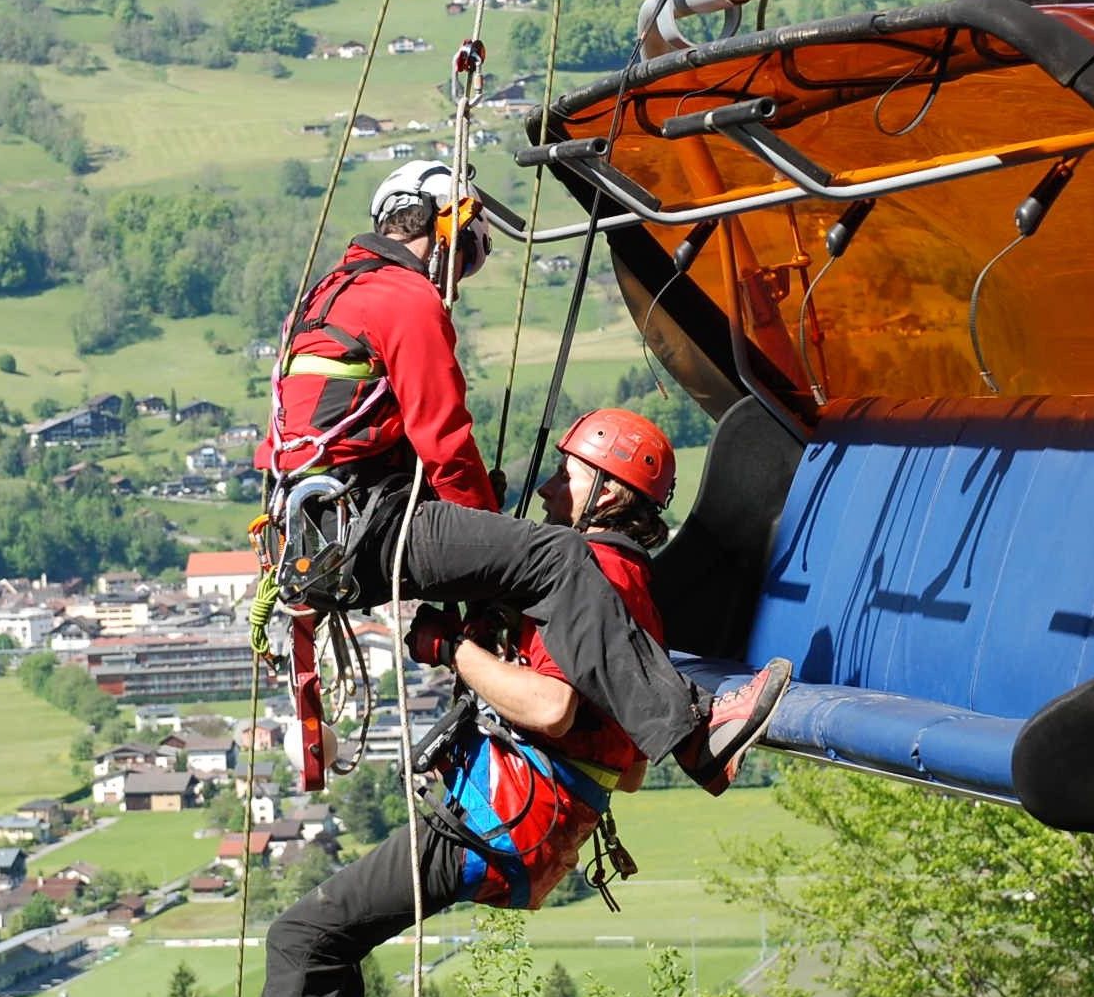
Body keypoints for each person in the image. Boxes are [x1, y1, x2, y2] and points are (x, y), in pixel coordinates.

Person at [143, 411, 792, 997]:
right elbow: (589, 731)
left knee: (303, 936)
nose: (553, 490)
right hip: (520, 815)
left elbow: (551, 705)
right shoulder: (616, 586)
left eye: (570, 476)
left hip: (502, 811)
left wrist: (450, 645)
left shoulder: (590, 570)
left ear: (610, 491)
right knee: (325, 943)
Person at [259, 160, 788, 798]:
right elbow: (445, 441)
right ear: (440, 226)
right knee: (559, 558)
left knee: (524, 556)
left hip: (316, 539)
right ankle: (696, 736)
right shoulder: (404, 298)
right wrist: (486, 537)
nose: (457, 279)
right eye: (465, 257)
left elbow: (288, 442)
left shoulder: (321, 301)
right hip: (374, 525)